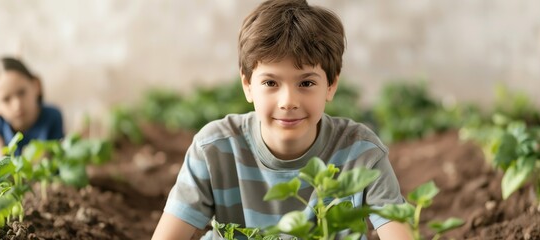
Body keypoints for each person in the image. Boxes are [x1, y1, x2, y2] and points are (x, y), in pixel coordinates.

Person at [153, 0, 411, 239]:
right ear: (248, 85)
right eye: (270, 82)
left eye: (306, 82)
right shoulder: (214, 148)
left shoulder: (361, 152)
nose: (288, 101)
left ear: (331, 85)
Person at [0, 56, 64, 157]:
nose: (17, 105)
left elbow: (55, 157)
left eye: (21, 92)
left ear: (36, 85)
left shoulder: (53, 116)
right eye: (6, 99)